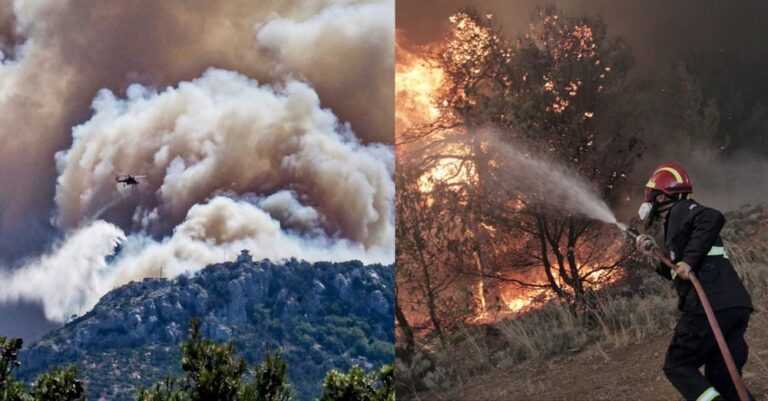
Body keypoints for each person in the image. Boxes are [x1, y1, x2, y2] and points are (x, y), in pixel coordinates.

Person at [636, 162, 753, 401]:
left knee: (678, 365)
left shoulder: (682, 210)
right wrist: (654, 256)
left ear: (660, 197)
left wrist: (687, 262)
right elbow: (674, 272)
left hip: (708, 306)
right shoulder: (679, 226)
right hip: (733, 305)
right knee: (723, 378)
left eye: (651, 194)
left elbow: (712, 217)